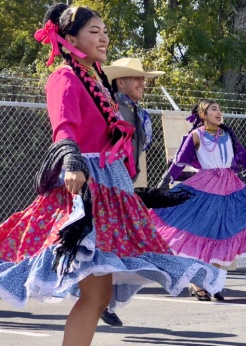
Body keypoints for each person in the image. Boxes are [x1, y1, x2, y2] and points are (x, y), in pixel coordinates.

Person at [0, 5, 224, 346]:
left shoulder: (97, 81)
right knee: (93, 290)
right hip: (85, 187)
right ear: (70, 38)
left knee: (99, 293)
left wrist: (139, 192)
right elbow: (64, 127)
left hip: (110, 186)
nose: (104, 37)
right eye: (94, 31)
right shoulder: (65, 77)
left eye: (105, 31)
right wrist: (73, 162)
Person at [150, 99, 246, 301]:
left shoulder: (228, 135)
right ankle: (198, 283)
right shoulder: (196, 135)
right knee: (204, 232)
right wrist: (164, 184)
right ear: (202, 114)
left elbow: (245, 160)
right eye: (214, 109)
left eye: (220, 109)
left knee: (221, 235)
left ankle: (212, 282)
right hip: (205, 187)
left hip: (230, 187)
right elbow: (179, 161)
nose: (219, 112)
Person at [95, 58, 164, 326]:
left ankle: (106, 302)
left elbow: (139, 149)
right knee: (102, 247)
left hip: (123, 187)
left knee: (131, 247)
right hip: (103, 187)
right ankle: (98, 301)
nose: (143, 83)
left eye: (144, 79)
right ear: (120, 81)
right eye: (137, 78)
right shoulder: (107, 106)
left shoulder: (140, 113)